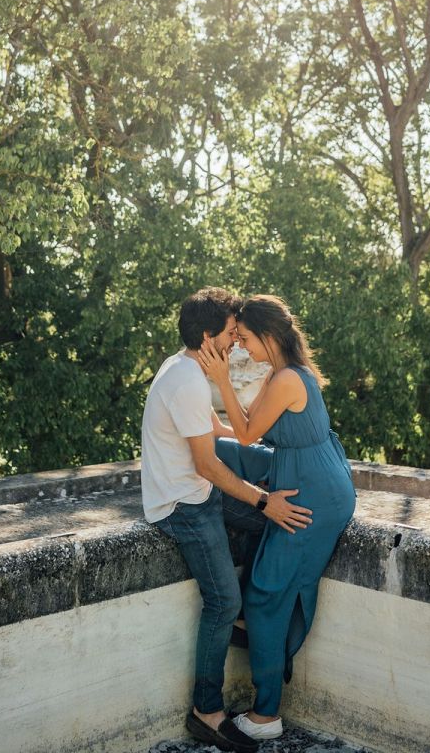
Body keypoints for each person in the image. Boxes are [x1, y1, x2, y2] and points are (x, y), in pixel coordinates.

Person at [140, 287, 313, 753]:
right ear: (206, 336)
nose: (237, 343)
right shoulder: (187, 380)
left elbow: (212, 429)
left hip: (200, 492)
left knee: (272, 527)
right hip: (182, 504)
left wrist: (259, 451)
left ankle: (245, 614)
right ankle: (206, 710)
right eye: (231, 334)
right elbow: (208, 466)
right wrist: (264, 500)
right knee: (219, 599)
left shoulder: (187, 367)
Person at [197, 293, 356, 742]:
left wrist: (222, 378)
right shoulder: (283, 373)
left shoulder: (287, 378)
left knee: (268, 592)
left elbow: (248, 434)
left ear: (268, 336)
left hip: (313, 493)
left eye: (245, 338)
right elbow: (247, 429)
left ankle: (266, 716)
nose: (242, 347)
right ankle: (261, 635)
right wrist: (205, 426)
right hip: (302, 470)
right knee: (213, 453)